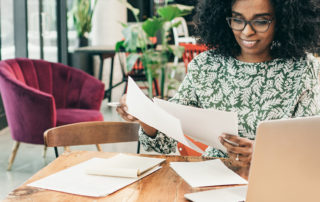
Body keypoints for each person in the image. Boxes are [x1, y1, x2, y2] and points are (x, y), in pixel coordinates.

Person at [117, 0, 320, 179]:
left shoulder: (303, 70)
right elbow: (164, 143)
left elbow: (310, 147)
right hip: (212, 182)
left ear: (283, 20)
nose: (247, 31)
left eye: (260, 21)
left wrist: (260, 152)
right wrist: (144, 114)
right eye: (237, 19)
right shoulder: (206, 66)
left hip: (277, 180)